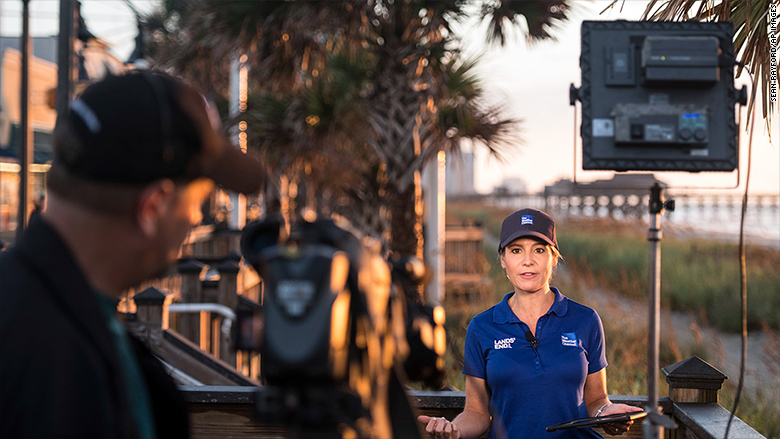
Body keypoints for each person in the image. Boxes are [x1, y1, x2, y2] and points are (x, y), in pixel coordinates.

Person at [0, 71, 265, 438]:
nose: (193, 220)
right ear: (153, 206)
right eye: (197, 204)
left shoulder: (50, 313)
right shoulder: (63, 370)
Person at [418, 208, 643, 438]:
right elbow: (476, 413)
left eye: (539, 250)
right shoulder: (481, 327)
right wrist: (454, 431)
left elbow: (596, 399)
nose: (528, 261)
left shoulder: (586, 320)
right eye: (516, 251)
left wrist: (607, 411)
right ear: (503, 260)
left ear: (554, 258)